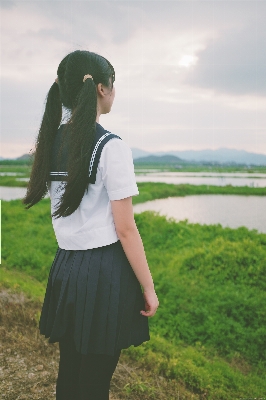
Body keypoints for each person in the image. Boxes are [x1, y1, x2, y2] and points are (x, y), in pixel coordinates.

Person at [23, 49, 159, 400]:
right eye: (113, 84)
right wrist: (148, 287)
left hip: (67, 266)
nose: (114, 92)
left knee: (69, 373)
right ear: (101, 88)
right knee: (95, 381)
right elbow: (126, 229)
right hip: (103, 272)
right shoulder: (110, 146)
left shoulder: (51, 142)